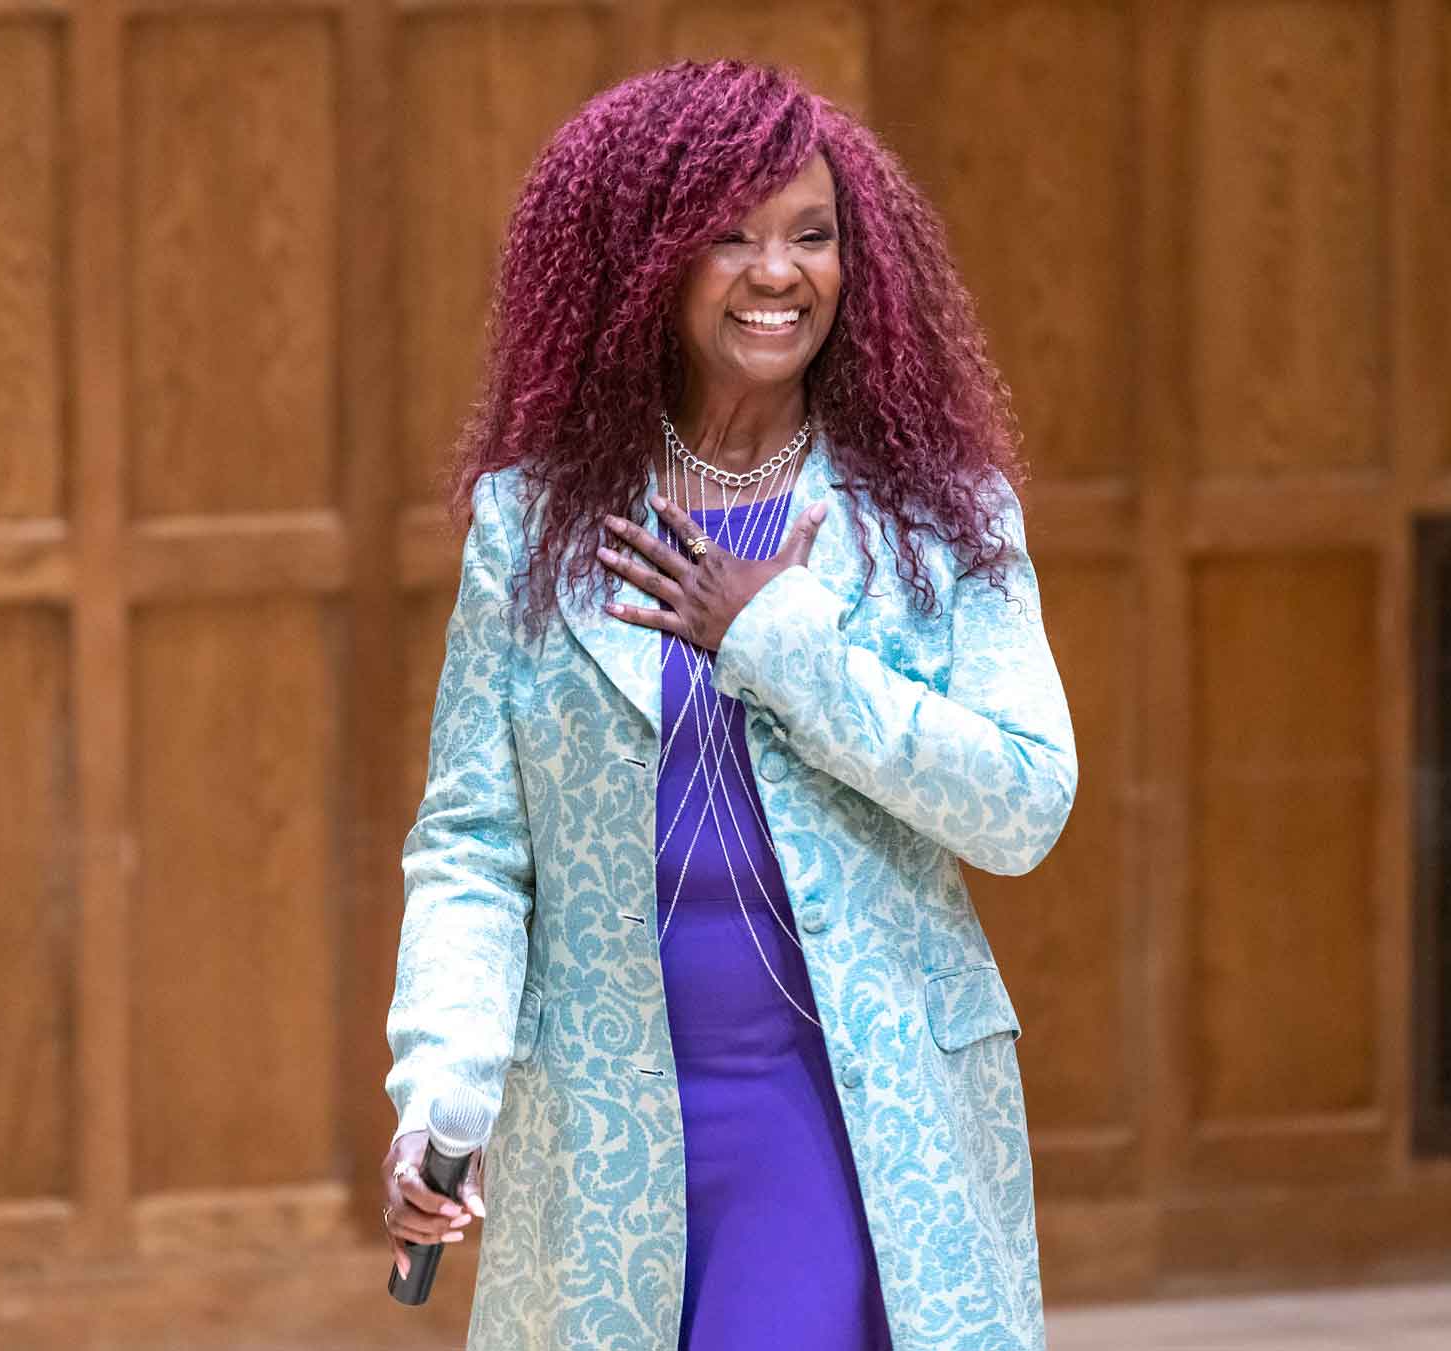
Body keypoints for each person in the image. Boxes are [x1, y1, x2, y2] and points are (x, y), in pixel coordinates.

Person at [379, 60, 1076, 1351]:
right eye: (733, 238)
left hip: (848, 1123)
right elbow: (473, 848)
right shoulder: (531, 526)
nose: (779, 272)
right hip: (604, 1145)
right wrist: (441, 1084)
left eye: (812, 236)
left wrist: (783, 646)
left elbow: (1026, 799)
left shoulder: (936, 518)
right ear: (642, 266)